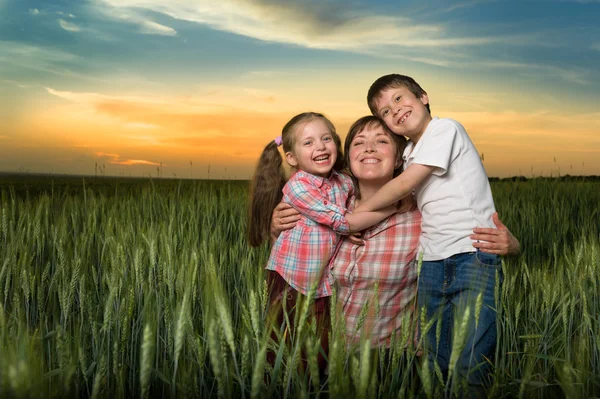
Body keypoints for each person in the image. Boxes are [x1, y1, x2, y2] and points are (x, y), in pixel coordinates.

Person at [356, 73, 508, 392]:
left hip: (472, 255)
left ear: (423, 96)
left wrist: (354, 215)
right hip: (431, 263)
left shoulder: (445, 128)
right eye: (384, 111)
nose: (394, 110)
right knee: (435, 357)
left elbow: (403, 186)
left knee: (471, 358)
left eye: (398, 98)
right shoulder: (411, 152)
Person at [248, 111, 395, 377]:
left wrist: (344, 229)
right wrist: (386, 210)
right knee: (282, 343)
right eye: (309, 143)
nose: (320, 146)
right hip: (290, 278)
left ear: (337, 145)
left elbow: (348, 210)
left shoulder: (343, 182)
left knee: (320, 348)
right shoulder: (298, 186)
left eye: (326, 138)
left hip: (322, 283)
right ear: (291, 158)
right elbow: (337, 218)